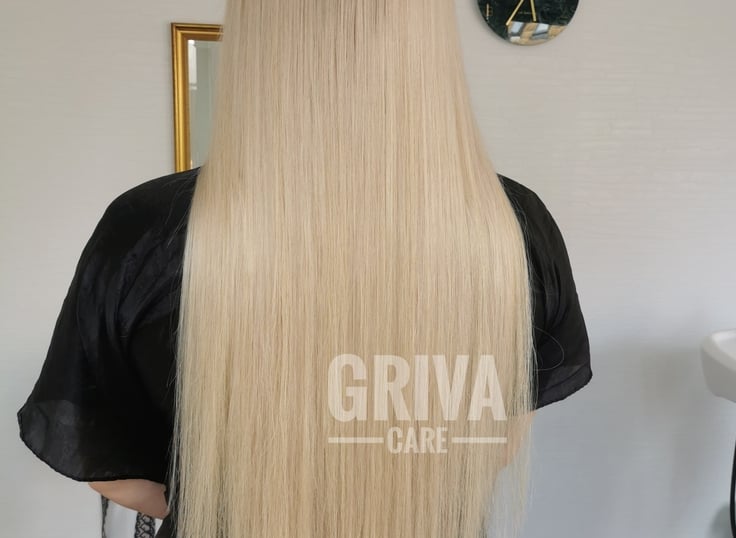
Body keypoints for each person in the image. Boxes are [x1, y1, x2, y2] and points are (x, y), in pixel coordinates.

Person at [16, 0, 591, 536]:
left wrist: (221, 501)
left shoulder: (147, 229)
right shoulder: (511, 223)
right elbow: (498, 443)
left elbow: (105, 463)